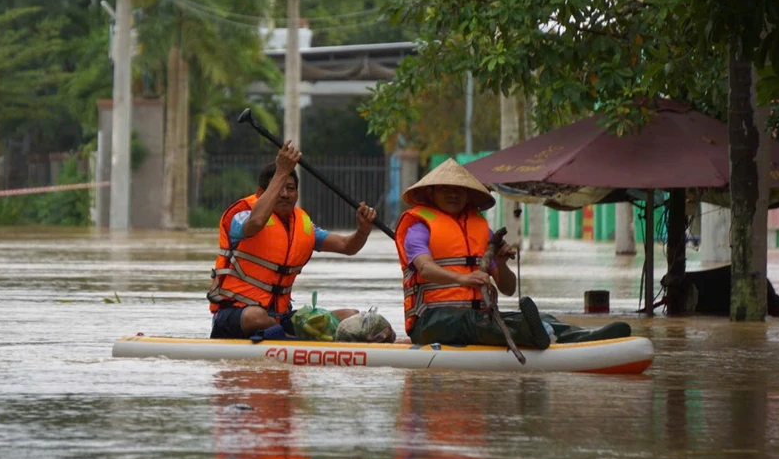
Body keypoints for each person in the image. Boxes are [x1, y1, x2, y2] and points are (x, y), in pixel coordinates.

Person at [395, 158, 632, 349]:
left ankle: (583, 336)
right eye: (446, 189)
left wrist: (500, 261)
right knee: (475, 321)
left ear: (468, 196)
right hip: (431, 321)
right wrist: (462, 278)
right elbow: (425, 267)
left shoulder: (481, 230)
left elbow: (508, 288)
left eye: (460, 190)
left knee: (544, 317)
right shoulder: (419, 226)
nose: (453, 194)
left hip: (478, 317)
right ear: (432, 193)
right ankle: (535, 334)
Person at [207, 140, 378, 340]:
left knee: (351, 316)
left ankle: (286, 336)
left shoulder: (303, 225)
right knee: (257, 317)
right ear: (261, 193)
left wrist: (363, 230)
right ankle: (291, 338)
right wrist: (281, 171)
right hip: (234, 315)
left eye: (290, 188)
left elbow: (347, 246)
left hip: (280, 317)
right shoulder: (241, 215)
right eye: (279, 187)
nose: (285, 194)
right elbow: (256, 222)